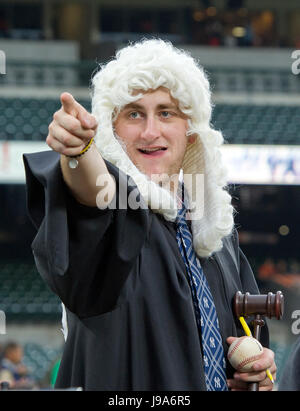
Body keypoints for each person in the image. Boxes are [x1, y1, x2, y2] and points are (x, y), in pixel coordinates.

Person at [23, 39, 276, 391]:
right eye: (133, 114)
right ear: (111, 129)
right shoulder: (117, 215)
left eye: (166, 112)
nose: (150, 132)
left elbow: (248, 340)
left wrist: (259, 371)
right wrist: (79, 151)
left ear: (190, 132)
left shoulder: (215, 234)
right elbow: (97, 192)